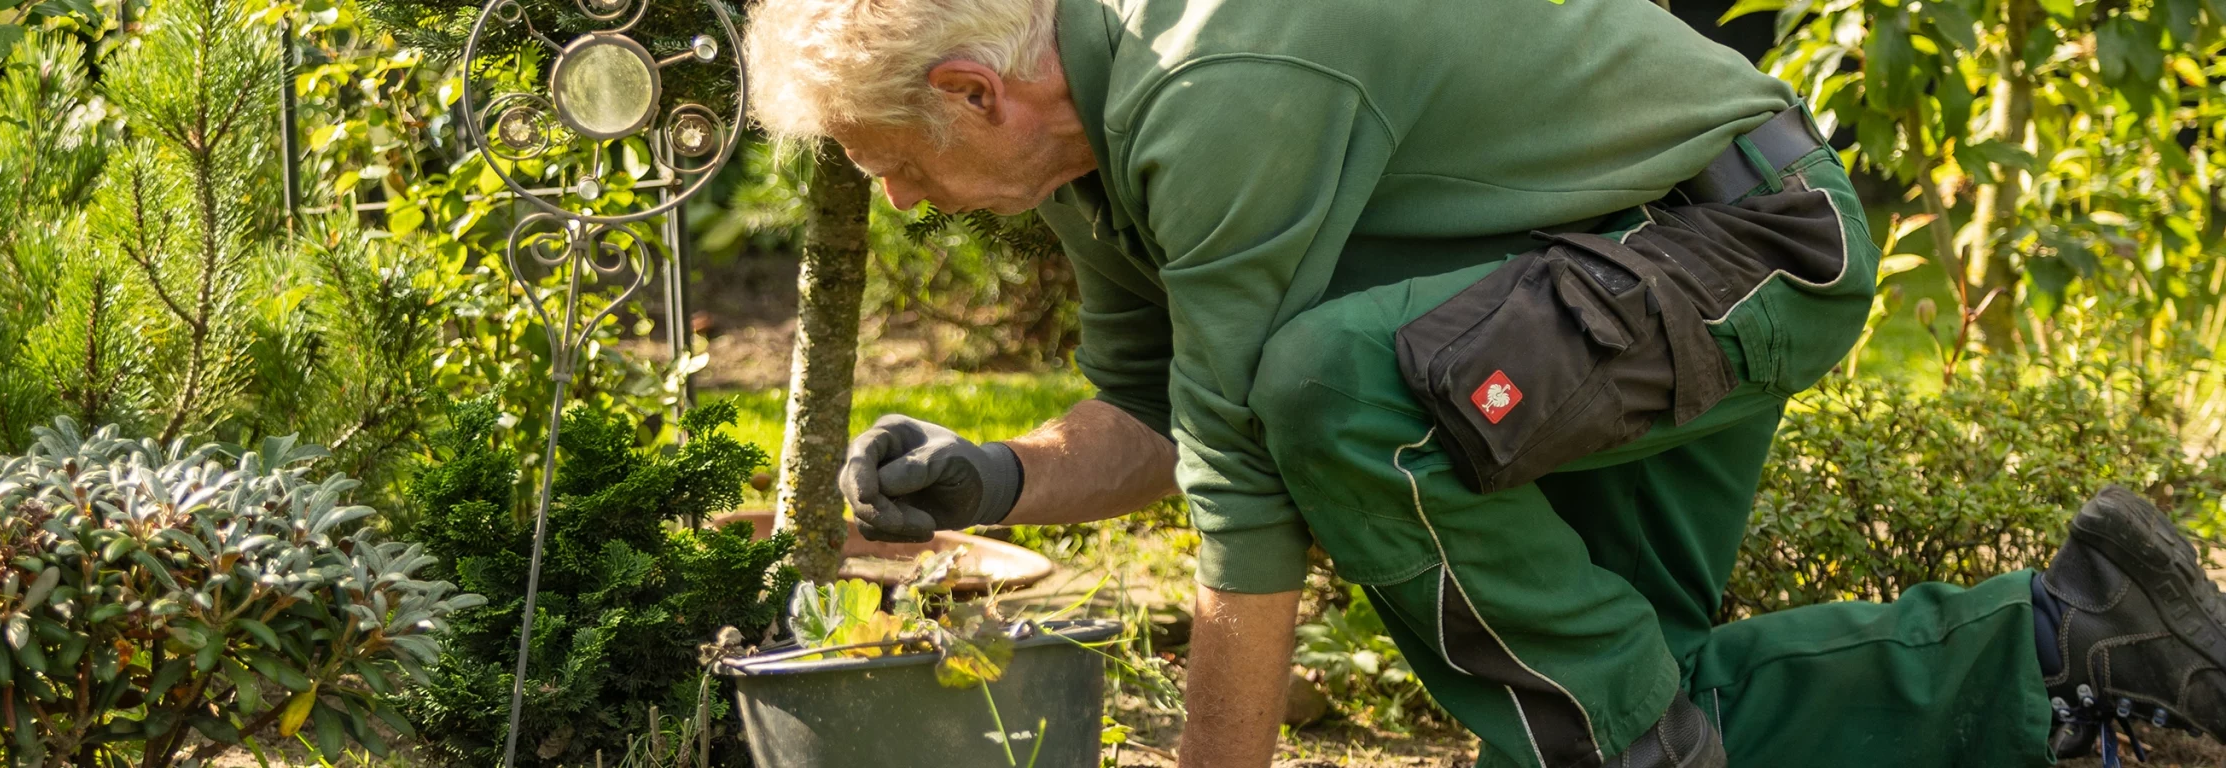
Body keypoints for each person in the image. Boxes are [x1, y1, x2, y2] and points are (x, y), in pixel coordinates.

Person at [740, 1, 2226, 765]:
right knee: (1642, 693)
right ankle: (2064, 643)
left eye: (901, 169)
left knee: (1331, 390)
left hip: (1741, 242)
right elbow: (1167, 415)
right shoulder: (1089, 154)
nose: (917, 203)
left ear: (970, 92)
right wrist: (995, 474)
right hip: (1567, 293)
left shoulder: (1209, 78)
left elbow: (1244, 479)